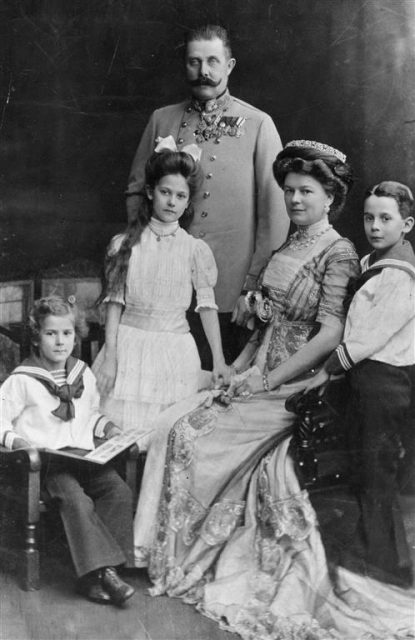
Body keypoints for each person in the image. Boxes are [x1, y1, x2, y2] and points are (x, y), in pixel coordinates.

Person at [129, 141, 415, 638]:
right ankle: (155, 556)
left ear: (331, 197)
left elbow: (329, 334)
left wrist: (264, 381)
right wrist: (237, 372)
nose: (295, 200)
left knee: (197, 434)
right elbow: (266, 327)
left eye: (307, 191)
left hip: (298, 383)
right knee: (179, 422)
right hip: (260, 373)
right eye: (289, 191)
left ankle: (193, 557)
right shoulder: (288, 245)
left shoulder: (340, 252)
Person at [126, 25, 289, 366]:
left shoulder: (258, 124)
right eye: (194, 62)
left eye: (213, 61)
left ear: (229, 65)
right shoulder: (162, 120)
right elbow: (136, 191)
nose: (204, 71)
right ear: (184, 65)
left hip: (230, 286)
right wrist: (144, 248)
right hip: (165, 280)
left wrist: (253, 285)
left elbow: (274, 215)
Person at [305, 180, 415, 588]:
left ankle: (388, 566)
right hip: (367, 379)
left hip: (384, 382)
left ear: (406, 224)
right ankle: (371, 555)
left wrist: (329, 368)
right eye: (369, 217)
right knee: (366, 469)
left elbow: (368, 336)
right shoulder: (375, 262)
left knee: (376, 472)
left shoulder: (400, 273)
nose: (375, 225)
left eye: (386, 219)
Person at [0, 296, 135, 606]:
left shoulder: (82, 373)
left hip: (83, 458)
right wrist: (18, 442)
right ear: (36, 337)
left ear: (76, 335)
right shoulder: (22, 380)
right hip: (45, 464)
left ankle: (99, 575)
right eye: (51, 334)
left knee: (118, 490)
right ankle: (101, 575)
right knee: (74, 497)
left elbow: (91, 415)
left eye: (67, 333)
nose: (60, 341)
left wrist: (109, 428)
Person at [92, 143, 229, 448]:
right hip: (129, 347)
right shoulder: (124, 244)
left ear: (188, 201)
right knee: (123, 437)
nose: (172, 201)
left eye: (180, 196)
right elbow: (114, 305)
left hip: (174, 352)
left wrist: (219, 360)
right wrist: (111, 357)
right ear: (152, 192)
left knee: (167, 442)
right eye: (166, 192)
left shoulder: (194, 249)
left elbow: (206, 308)